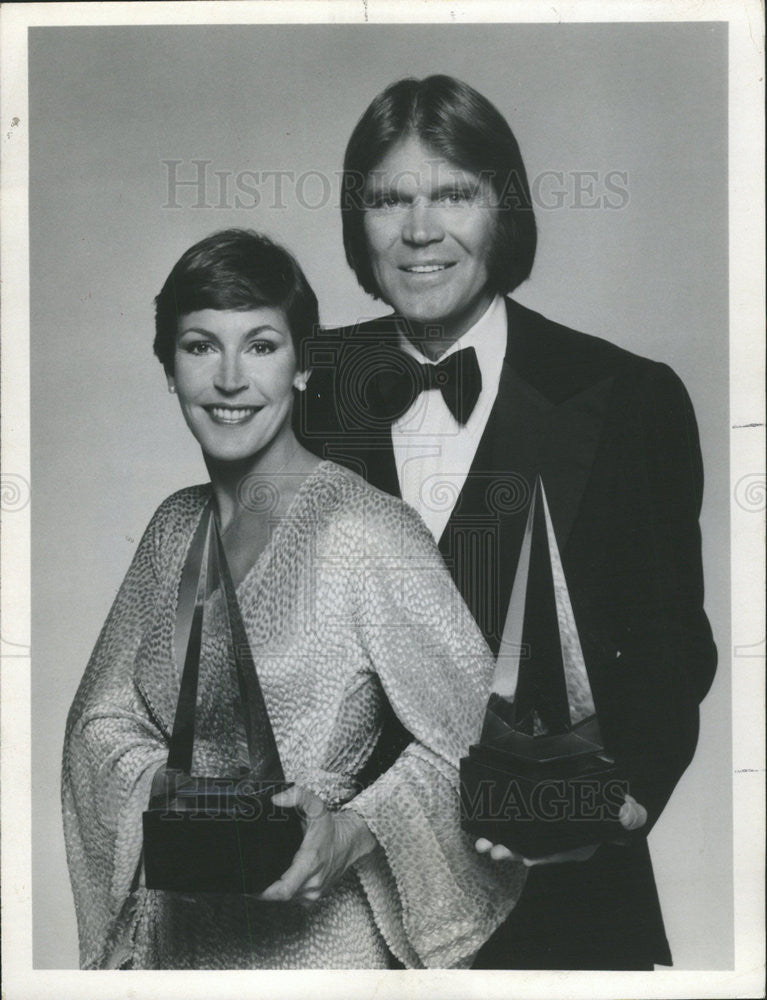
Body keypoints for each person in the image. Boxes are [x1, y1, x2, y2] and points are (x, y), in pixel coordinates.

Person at [296, 75, 718, 970]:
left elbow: (670, 651)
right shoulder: (300, 386)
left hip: (560, 910)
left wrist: (619, 808)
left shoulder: (627, 397)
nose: (419, 231)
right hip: (341, 923)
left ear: (506, 209)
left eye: (454, 194)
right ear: (356, 219)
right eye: (388, 200)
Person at [61, 228, 529, 970]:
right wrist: (174, 795)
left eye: (261, 346)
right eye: (199, 346)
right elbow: (100, 721)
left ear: (303, 365)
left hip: (324, 950)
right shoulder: (171, 529)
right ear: (168, 369)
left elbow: (491, 748)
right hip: (179, 946)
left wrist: (353, 831)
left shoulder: (365, 530)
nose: (228, 379)